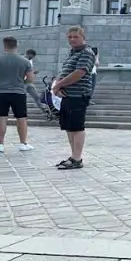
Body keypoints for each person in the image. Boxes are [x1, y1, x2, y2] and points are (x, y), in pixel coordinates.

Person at [51, 26, 96, 170]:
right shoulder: (72, 53)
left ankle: (77, 159)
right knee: (69, 127)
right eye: (70, 37)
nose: (72, 39)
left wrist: (58, 85)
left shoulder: (86, 53)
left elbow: (79, 73)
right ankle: (73, 156)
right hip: (67, 95)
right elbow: (64, 71)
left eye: (75, 37)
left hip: (78, 95)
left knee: (76, 127)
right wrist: (57, 87)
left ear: (83, 37)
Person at [0, 36, 34, 153]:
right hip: (18, 92)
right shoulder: (25, 61)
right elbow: (31, 78)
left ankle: (0, 144)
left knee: (1, 117)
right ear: (16, 45)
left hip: (1, 92)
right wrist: (22, 83)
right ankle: (23, 143)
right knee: (21, 118)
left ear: (4, 45)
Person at [23, 49, 49, 114]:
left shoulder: (30, 61)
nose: (31, 58)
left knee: (36, 96)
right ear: (27, 54)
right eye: (31, 56)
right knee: (22, 97)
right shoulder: (21, 60)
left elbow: (29, 71)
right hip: (22, 82)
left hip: (29, 82)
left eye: (32, 57)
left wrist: (34, 72)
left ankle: (43, 109)